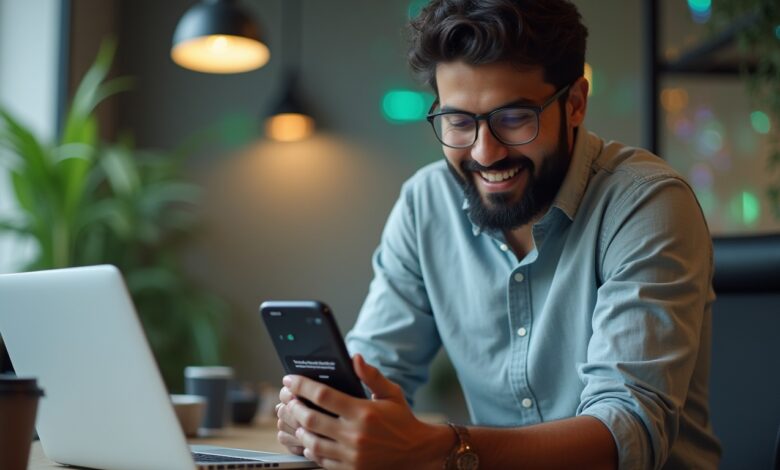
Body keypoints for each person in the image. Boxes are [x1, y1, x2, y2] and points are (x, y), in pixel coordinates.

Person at [275, 0, 721, 468]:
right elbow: (375, 368)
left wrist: (444, 445)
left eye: (513, 118)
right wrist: (330, 416)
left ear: (575, 104)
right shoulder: (426, 203)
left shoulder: (646, 203)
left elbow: (626, 431)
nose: (485, 153)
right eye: (459, 122)